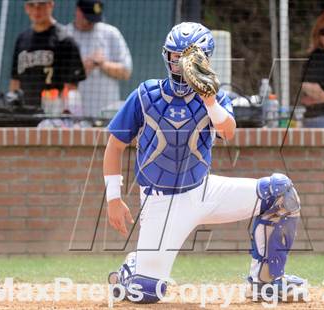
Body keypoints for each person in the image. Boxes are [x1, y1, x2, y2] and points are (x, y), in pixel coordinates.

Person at [103, 22, 304, 304]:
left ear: (205, 60)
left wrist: (208, 99)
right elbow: (115, 144)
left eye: (189, 59)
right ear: (167, 57)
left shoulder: (216, 98)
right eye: (176, 58)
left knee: (280, 194)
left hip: (204, 190)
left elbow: (228, 130)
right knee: (146, 293)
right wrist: (113, 197)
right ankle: (134, 269)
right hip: (161, 201)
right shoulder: (145, 95)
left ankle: (266, 281)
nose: (181, 65)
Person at [10, 0, 86, 111]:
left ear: (51, 5)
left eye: (41, 4)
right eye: (32, 5)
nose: (36, 10)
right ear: (26, 8)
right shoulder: (22, 39)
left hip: (52, 114)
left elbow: (71, 86)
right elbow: (15, 80)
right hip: (24, 111)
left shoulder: (65, 40)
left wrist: (63, 112)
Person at [66, 0, 133, 118]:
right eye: (87, 17)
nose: (91, 22)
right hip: (74, 115)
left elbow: (126, 72)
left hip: (107, 115)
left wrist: (102, 63)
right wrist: (84, 66)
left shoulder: (111, 33)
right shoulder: (65, 35)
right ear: (78, 11)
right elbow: (57, 78)